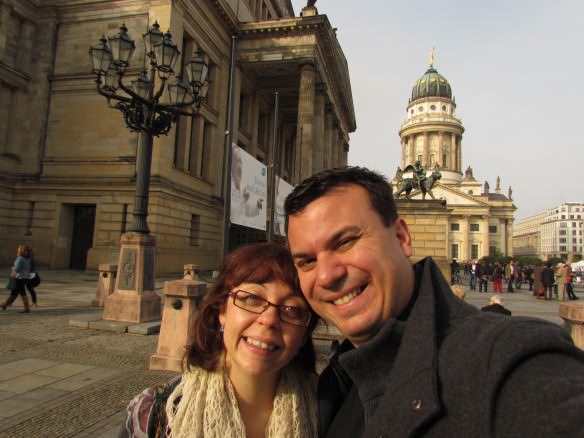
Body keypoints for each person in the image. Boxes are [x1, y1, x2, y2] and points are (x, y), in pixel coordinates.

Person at [284, 166, 584, 437]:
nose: (326, 276)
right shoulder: (336, 376)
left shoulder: (507, 356)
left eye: (346, 242)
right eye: (307, 261)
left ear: (402, 238)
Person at [120, 242, 318, 438]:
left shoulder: (329, 412)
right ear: (222, 311)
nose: (269, 320)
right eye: (252, 298)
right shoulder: (154, 413)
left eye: (292, 309)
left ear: (304, 335)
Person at [1, 244, 32, 313]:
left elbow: (16, 269)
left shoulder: (20, 258)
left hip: (19, 277)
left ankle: (27, 308)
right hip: (25, 277)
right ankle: (5, 305)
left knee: (22, 293)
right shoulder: (28, 259)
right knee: (14, 293)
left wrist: (12, 276)